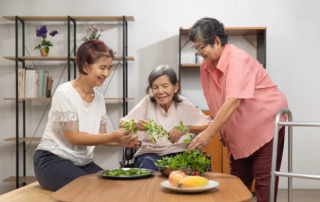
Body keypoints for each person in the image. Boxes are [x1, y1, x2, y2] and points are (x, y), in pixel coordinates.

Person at [186, 17, 288, 202]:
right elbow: (215, 99)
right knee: (238, 179)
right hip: (241, 125)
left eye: (201, 47)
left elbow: (232, 101)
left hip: (266, 121)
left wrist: (208, 134)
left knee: (264, 180)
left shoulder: (237, 61)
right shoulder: (206, 65)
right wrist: (222, 131)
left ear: (217, 41)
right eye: (196, 48)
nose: (199, 52)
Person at [33, 40, 140, 191]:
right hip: (51, 159)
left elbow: (101, 135)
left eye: (109, 68)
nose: (106, 73)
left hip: (82, 162)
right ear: (85, 66)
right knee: (90, 191)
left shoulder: (99, 99)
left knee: (113, 187)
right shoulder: (65, 93)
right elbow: (73, 137)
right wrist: (114, 136)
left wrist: (122, 141)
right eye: (102, 68)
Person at [119, 65, 212, 171]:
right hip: (150, 154)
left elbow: (210, 125)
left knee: (185, 171)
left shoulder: (184, 104)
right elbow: (122, 124)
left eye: (165, 86)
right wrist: (135, 125)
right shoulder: (147, 102)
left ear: (175, 87)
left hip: (180, 153)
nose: (160, 91)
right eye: (155, 87)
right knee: (148, 168)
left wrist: (187, 128)